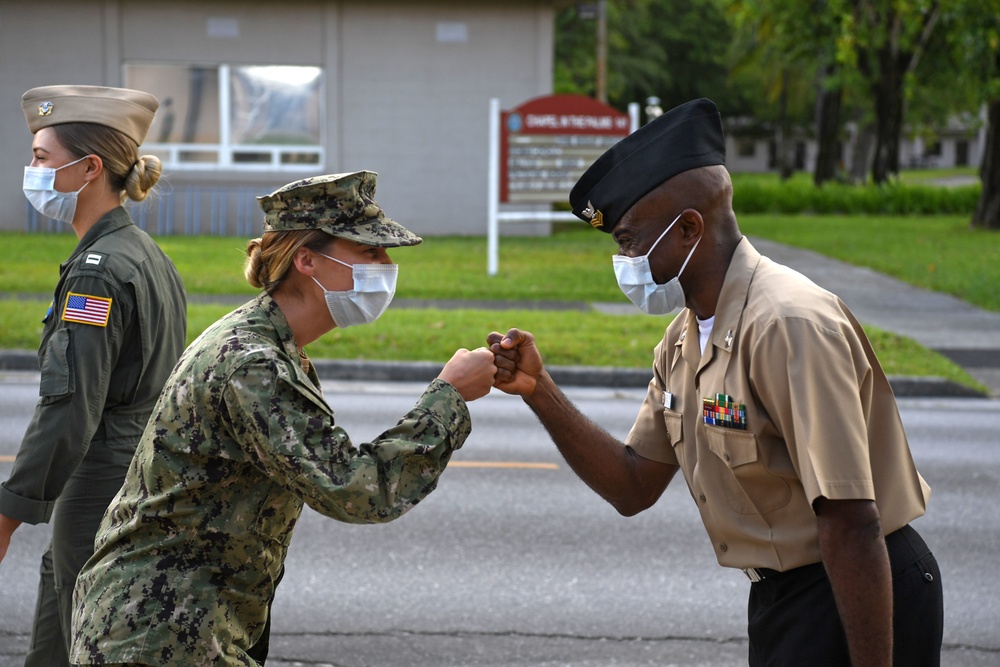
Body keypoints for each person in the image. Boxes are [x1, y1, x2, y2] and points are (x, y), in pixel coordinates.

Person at [489, 98, 943, 666]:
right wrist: (540, 390)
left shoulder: (788, 325)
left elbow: (851, 523)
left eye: (629, 241)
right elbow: (633, 485)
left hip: (861, 595)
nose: (624, 260)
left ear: (687, 230)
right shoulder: (683, 340)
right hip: (786, 599)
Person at [70, 171, 497, 666]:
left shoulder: (265, 342)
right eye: (369, 252)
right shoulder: (254, 364)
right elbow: (358, 489)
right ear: (307, 260)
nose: (387, 265)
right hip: (160, 633)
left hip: (177, 621)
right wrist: (448, 397)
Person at [0, 85, 187, 667]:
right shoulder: (143, 252)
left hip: (100, 475)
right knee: (62, 632)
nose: (30, 170)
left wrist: (8, 515)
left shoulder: (98, 273)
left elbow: (69, 405)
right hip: (133, 468)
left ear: (89, 168)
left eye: (40, 157)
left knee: (85, 637)